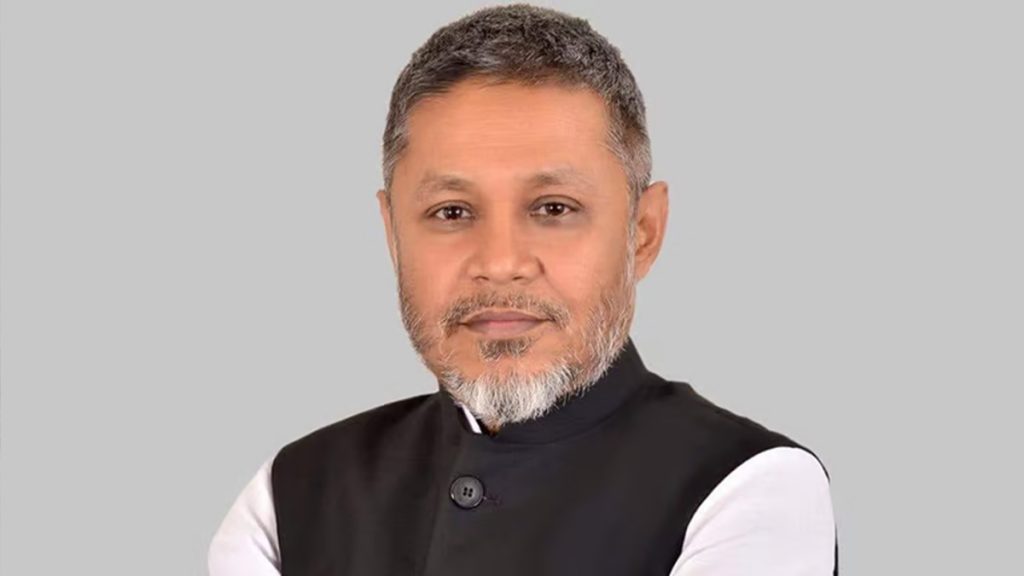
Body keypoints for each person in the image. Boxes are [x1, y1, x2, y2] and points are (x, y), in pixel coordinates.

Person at [208, 4, 838, 575]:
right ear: (393, 235)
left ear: (642, 233)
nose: (500, 263)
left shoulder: (747, 491)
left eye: (554, 208)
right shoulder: (287, 500)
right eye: (452, 212)